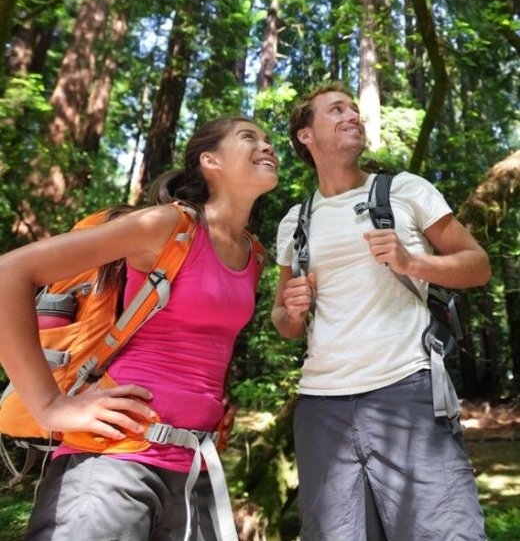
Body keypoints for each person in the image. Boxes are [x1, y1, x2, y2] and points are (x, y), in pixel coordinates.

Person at [0, 116, 278, 541]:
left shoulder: (253, 254)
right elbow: (10, 273)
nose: (267, 146)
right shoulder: (168, 226)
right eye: (249, 138)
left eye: (268, 140)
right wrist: (51, 406)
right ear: (210, 161)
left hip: (193, 472)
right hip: (113, 463)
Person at [272, 82, 491, 541]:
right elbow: (284, 321)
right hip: (320, 407)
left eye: (354, 109)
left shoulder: (405, 191)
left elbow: (477, 265)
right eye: (336, 110)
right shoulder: (297, 221)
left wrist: (414, 262)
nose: (352, 115)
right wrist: (291, 312)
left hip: (407, 392)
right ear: (305, 136)